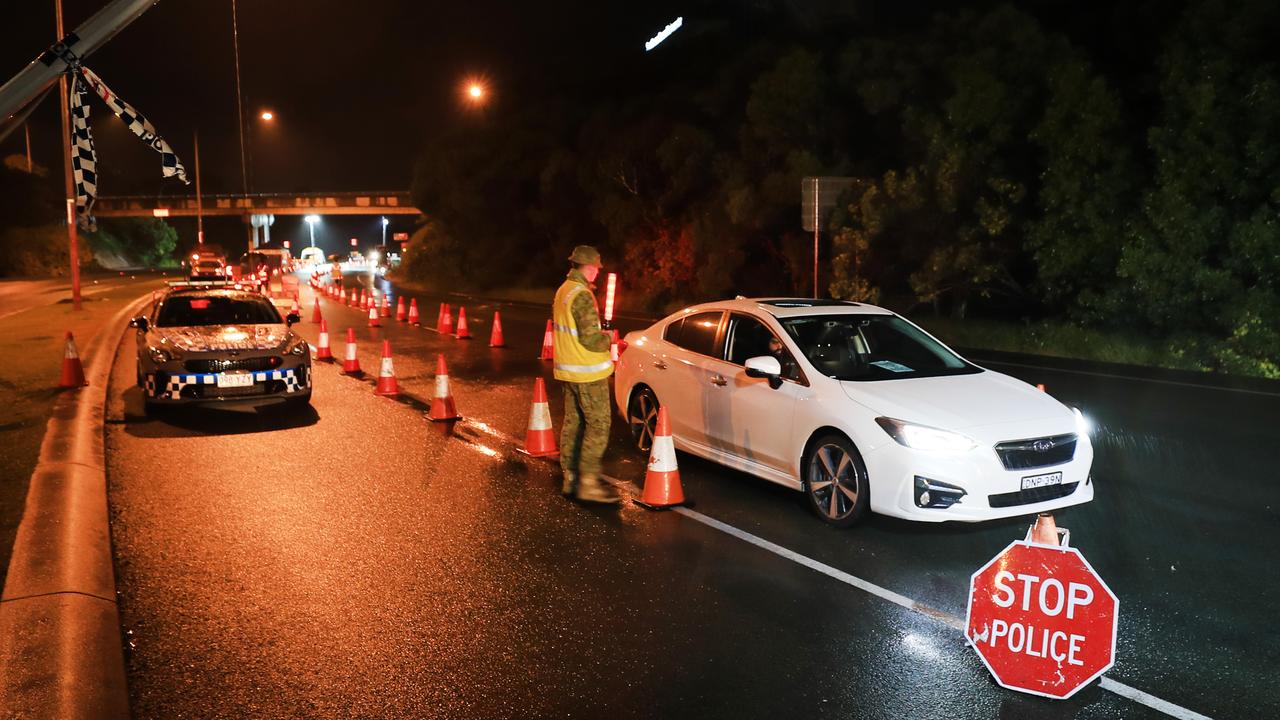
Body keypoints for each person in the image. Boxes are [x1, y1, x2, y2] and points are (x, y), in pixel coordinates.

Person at [553, 245, 618, 504]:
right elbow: (590, 338)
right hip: (587, 372)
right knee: (599, 424)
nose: (598, 274)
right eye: (596, 269)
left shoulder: (564, 290)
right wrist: (610, 339)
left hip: (568, 370)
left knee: (574, 422)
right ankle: (589, 483)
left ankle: (570, 477)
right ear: (589, 267)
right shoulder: (581, 295)